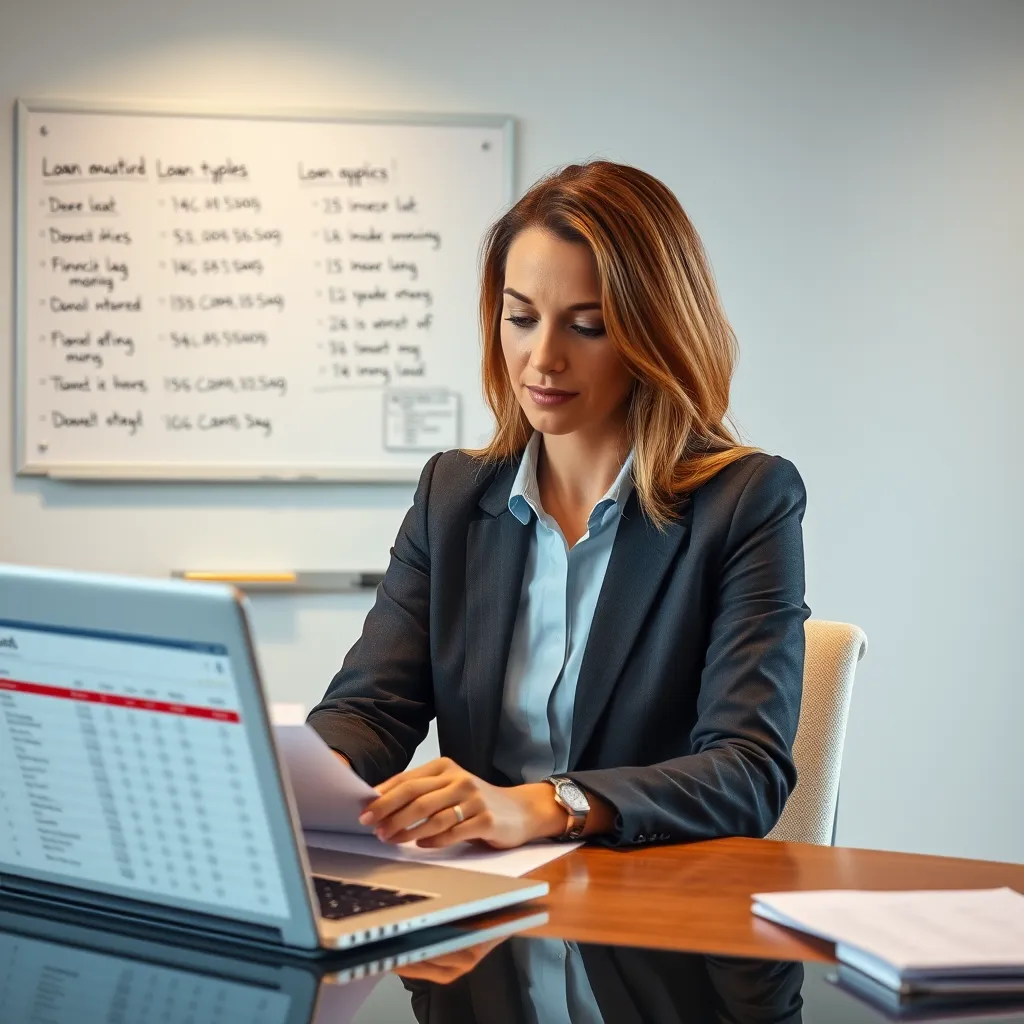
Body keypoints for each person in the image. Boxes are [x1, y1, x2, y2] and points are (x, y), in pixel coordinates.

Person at [307, 160, 809, 852]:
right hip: (486, 904)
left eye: (588, 326)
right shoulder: (452, 495)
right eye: (521, 318)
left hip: (648, 911)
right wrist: (313, 775)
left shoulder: (745, 502)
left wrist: (544, 805)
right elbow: (370, 708)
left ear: (654, 334)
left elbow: (747, 771)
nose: (542, 359)